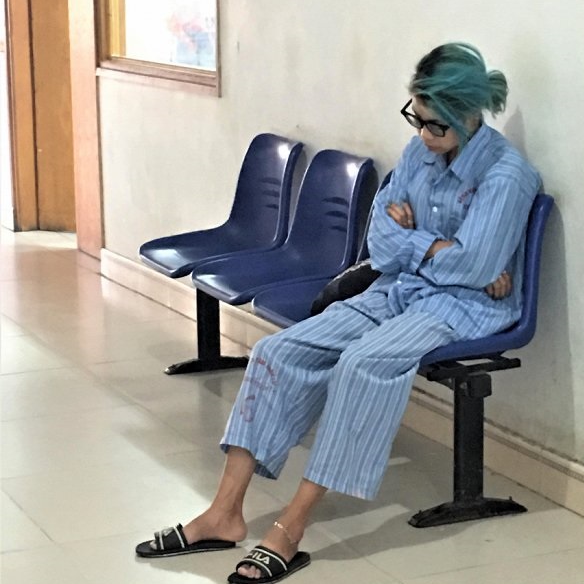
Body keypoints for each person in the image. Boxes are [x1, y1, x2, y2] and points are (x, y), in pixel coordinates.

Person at [135, 42, 542, 583]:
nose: (423, 136)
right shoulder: (419, 153)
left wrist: (438, 249)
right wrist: (440, 248)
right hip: (397, 288)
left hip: (462, 307)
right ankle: (223, 513)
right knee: (276, 350)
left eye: (435, 125)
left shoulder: (506, 176)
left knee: (360, 365)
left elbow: (472, 268)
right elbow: (382, 240)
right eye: (417, 119)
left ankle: (291, 527)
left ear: (470, 115)